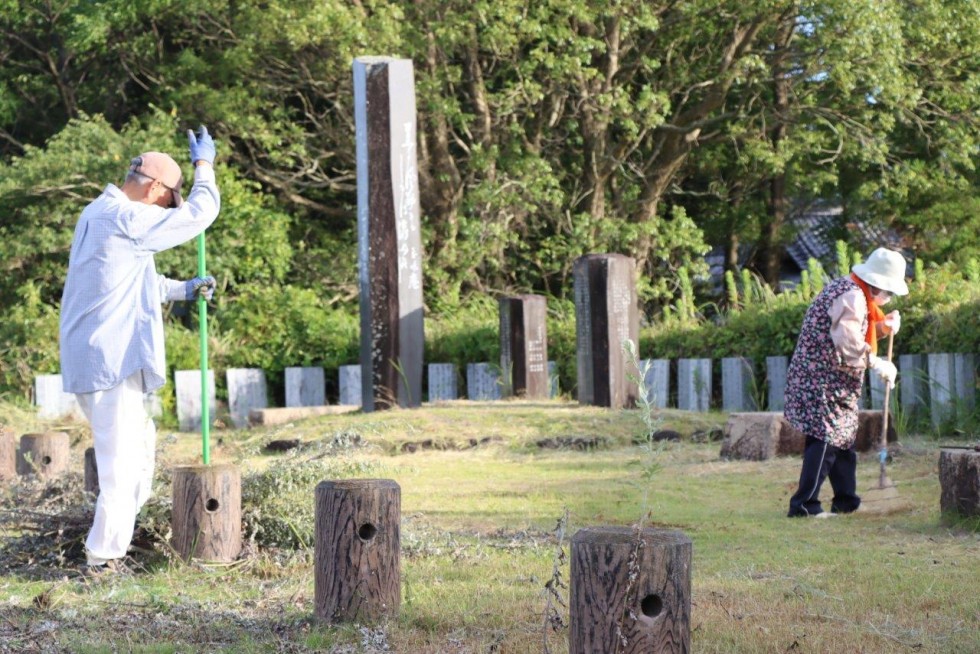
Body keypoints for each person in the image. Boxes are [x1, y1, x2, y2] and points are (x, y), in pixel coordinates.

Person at [60, 127, 220, 572]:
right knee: (121, 466)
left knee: (139, 451)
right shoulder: (124, 218)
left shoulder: (99, 212)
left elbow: (129, 281)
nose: (164, 210)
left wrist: (183, 290)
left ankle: (117, 543)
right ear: (155, 188)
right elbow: (201, 214)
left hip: (101, 356)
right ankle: (103, 560)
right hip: (109, 360)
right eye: (166, 201)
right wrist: (203, 167)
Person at [785, 247, 908, 518]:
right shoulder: (852, 296)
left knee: (843, 439)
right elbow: (848, 342)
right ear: (876, 285)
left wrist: (884, 327)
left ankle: (846, 502)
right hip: (821, 379)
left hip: (835, 379)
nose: (888, 298)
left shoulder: (858, 293)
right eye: (888, 292)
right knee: (827, 438)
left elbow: (857, 330)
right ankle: (804, 506)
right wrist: (878, 364)